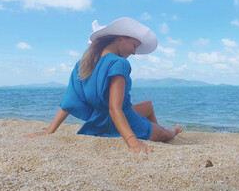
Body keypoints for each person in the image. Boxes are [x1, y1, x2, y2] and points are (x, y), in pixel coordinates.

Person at [24, 17, 183, 154]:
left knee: (148, 105)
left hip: (98, 121)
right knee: (165, 134)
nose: (134, 53)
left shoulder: (82, 64)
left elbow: (68, 103)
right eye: (134, 45)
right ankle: (173, 130)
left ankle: (155, 128)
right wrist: (134, 143)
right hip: (121, 120)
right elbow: (115, 109)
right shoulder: (119, 63)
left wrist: (48, 132)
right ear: (120, 37)